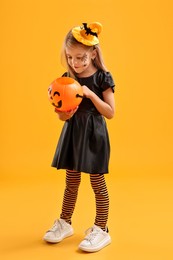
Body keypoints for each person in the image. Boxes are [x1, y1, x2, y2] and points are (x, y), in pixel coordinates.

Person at [43, 22, 115, 252]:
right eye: (71, 57)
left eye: (82, 57)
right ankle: (65, 222)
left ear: (93, 53)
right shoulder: (68, 77)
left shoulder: (103, 77)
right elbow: (63, 117)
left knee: (97, 182)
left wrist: (91, 95)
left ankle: (101, 229)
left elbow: (110, 112)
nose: (76, 63)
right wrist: (61, 109)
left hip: (94, 134)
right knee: (71, 181)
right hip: (73, 132)